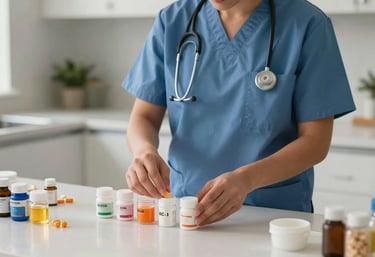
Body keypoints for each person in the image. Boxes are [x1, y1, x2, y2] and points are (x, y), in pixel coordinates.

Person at [122, 0, 355, 226]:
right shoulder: (172, 21)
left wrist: (247, 179)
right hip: (188, 210)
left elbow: (315, 142)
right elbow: (144, 117)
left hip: (273, 216)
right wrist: (143, 152)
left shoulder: (307, 23)